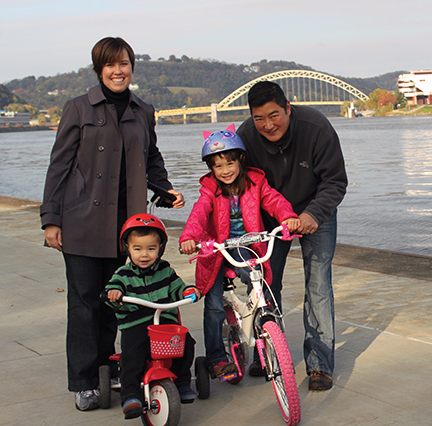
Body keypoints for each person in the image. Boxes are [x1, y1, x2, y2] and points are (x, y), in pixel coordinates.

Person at [40, 36, 184, 411]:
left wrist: (165, 189)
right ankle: (85, 381)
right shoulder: (78, 108)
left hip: (128, 227)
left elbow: (151, 156)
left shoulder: (143, 110)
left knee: (118, 302)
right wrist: (51, 219)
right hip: (82, 220)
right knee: (85, 303)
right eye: (110, 65)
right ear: (99, 69)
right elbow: (59, 167)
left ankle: (111, 368)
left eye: (124, 64)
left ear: (132, 68)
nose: (118, 71)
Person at [237, 81, 347, 391]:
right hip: (270, 216)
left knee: (318, 284)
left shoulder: (316, 128)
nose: (268, 125)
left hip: (315, 210)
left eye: (274, 115)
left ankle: (319, 365)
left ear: (288, 107)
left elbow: (335, 181)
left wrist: (312, 215)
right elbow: (236, 184)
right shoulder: (246, 137)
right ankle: (270, 352)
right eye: (259, 118)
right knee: (266, 283)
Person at [179, 124, 300, 381]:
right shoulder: (210, 188)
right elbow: (200, 213)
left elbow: (273, 200)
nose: (224, 171)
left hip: (244, 245)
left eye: (229, 163)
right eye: (218, 166)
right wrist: (190, 237)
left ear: (241, 159)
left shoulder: (256, 182)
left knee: (258, 283)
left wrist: (288, 217)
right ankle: (216, 358)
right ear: (211, 168)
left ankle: (263, 344)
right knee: (213, 305)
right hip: (215, 248)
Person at [105, 213, 199, 419]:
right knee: (133, 355)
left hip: (164, 323)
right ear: (127, 249)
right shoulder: (123, 274)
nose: (144, 255)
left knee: (186, 344)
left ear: (160, 249)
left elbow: (178, 288)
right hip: (136, 324)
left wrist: (188, 291)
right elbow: (113, 287)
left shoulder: (165, 270)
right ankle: (130, 395)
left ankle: (182, 382)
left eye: (151, 248)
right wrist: (114, 294)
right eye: (137, 249)